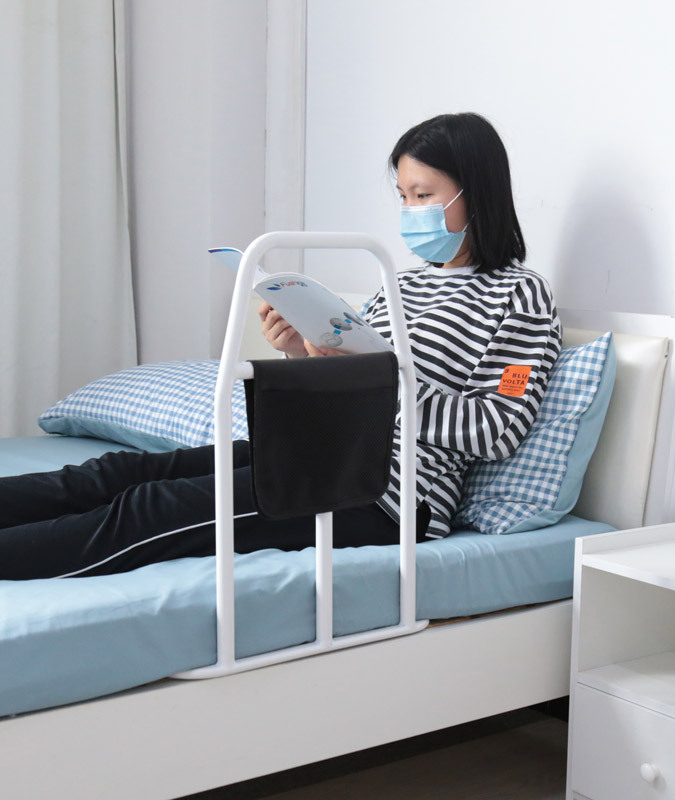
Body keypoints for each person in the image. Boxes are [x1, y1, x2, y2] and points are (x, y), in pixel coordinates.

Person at [0, 112, 561, 580]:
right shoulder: (402, 283)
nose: (411, 210)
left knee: (149, 510)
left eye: (424, 195)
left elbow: (499, 429)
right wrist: (301, 351)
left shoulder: (520, 295)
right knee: (119, 473)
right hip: (320, 454)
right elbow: (345, 386)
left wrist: (379, 380)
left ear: (475, 193)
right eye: (403, 196)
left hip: (388, 493)